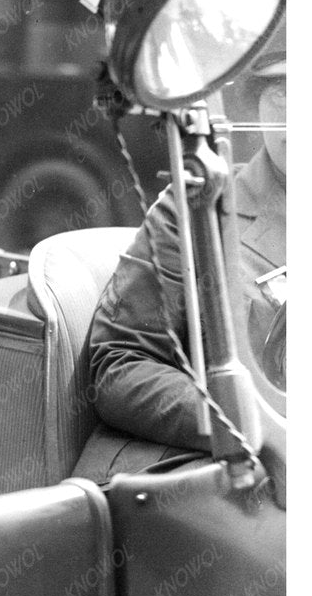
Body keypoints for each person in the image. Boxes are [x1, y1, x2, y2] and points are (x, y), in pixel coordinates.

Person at [87, 45, 286, 454]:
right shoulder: (198, 208)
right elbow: (120, 365)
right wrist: (246, 428)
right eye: (282, 92)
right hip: (234, 472)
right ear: (256, 102)